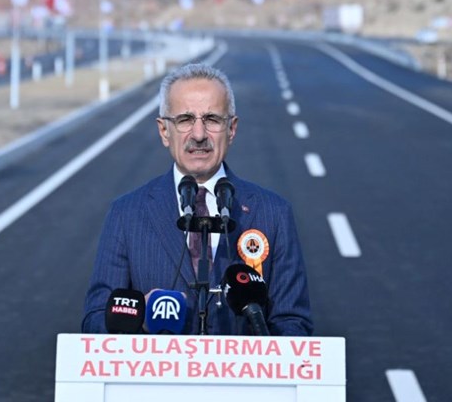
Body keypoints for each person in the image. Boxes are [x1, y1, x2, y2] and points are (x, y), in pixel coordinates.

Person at [81, 63, 313, 336]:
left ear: (232, 129)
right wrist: (137, 317)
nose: (199, 134)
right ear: (164, 131)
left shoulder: (273, 214)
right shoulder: (126, 213)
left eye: (212, 119)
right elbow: (94, 323)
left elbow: (294, 325)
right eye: (185, 120)